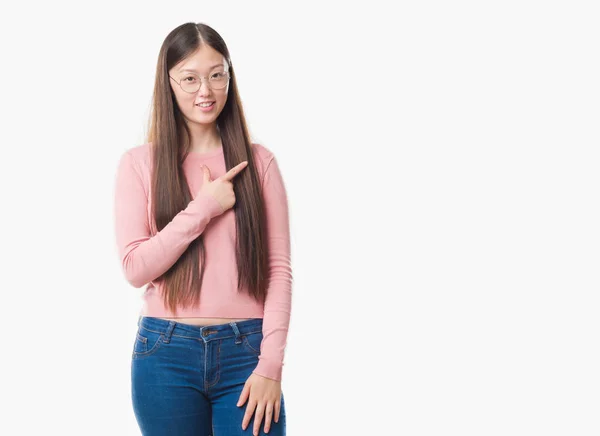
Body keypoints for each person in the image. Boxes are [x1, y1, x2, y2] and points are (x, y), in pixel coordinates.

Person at [113, 22, 292, 436]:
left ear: (230, 75)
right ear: (169, 82)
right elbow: (135, 267)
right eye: (190, 78)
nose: (205, 91)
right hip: (164, 354)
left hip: (247, 351)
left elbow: (278, 270)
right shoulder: (140, 164)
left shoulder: (259, 162)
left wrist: (271, 366)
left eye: (216, 74)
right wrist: (204, 208)